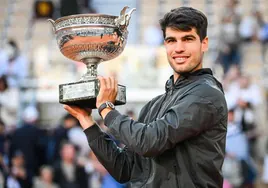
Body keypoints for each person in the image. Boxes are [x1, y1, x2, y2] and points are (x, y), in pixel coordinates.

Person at [64, 7, 228, 188]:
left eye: (188, 39)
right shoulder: (154, 105)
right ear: (165, 45)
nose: (179, 48)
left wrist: (106, 109)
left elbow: (149, 141)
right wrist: (87, 121)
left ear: (204, 43)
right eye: (171, 40)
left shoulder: (206, 94)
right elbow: (124, 168)